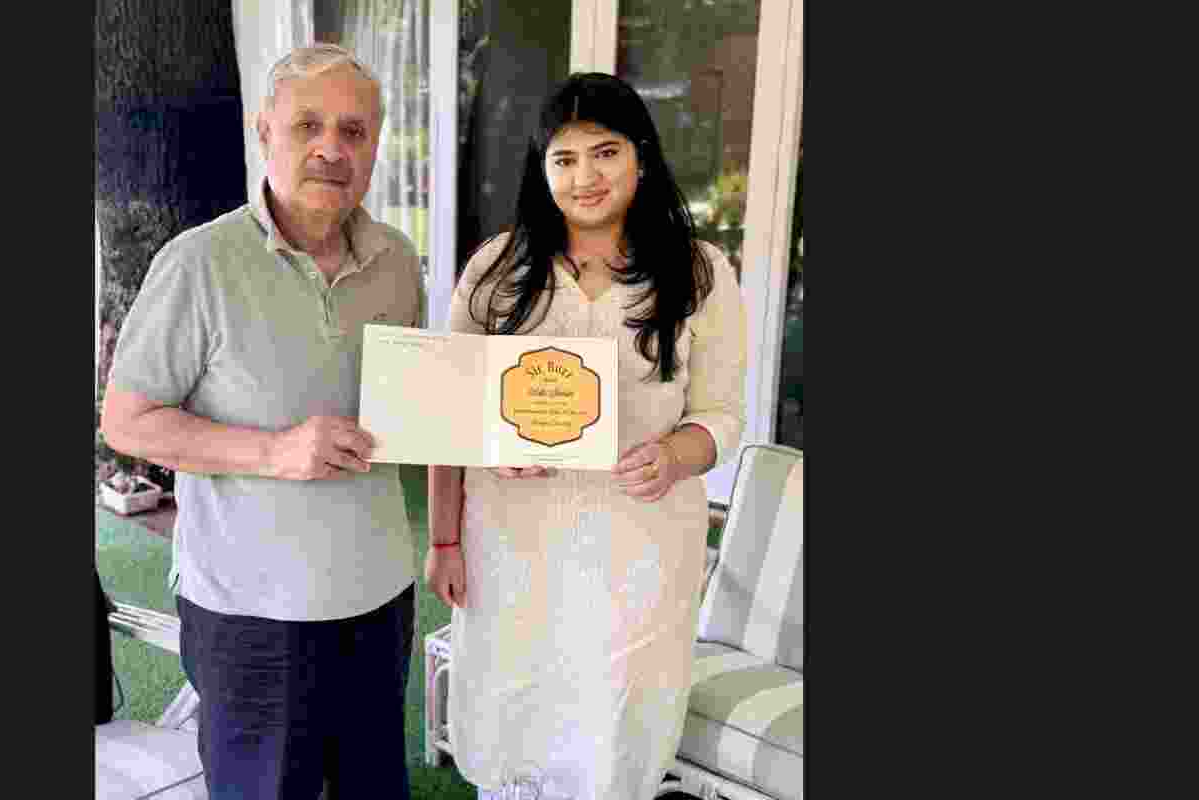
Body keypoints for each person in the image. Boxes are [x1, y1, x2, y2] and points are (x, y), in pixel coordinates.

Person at [101, 43, 425, 800]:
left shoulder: (397, 261)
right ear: (264, 131)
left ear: (374, 145)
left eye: (354, 131)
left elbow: (412, 405)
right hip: (253, 611)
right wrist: (276, 450)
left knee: (373, 787)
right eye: (308, 124)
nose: (331, 148)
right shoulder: (198, 263)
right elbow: (127, 420)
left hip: (378, 596)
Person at [425, 72, 747, 800]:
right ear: (542, 171)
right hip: (510, 545)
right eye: (563, 159)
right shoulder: (496, 271)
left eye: (604, 153)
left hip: (638, 549)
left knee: (612, 726)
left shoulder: (699, 274)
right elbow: (446, 409)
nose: (584, 177)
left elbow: (722, 416)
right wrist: (445, 537)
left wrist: (674, 456)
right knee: (515, 707)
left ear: (641, 156)